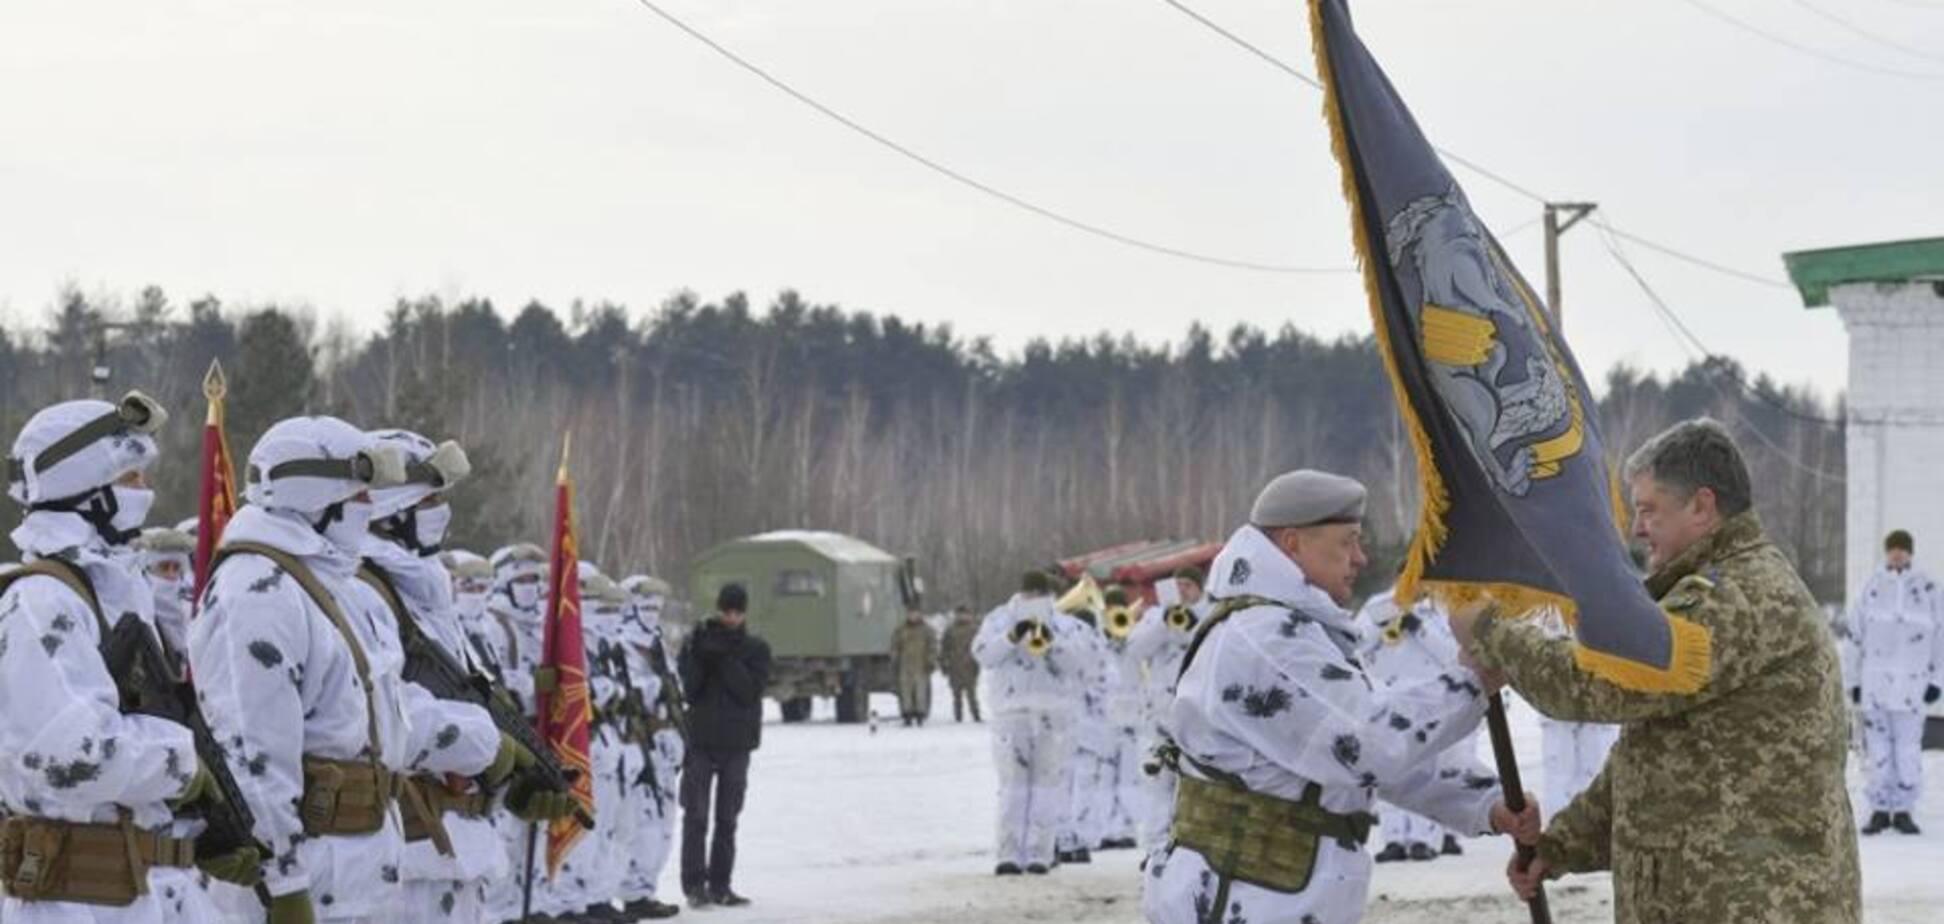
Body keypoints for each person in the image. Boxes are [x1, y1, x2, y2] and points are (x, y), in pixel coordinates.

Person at [1454, 419, 1861, 923]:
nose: (1638, 528)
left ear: (1702, 505)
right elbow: (1656, 757)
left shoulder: (1741, 597)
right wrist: (1560, 846)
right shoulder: (1712, 590)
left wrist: (1492, 631)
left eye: (1649, 510)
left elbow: (1603, 682)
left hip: (1754, 905)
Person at [1142, 470, 1536, 924]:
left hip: (1272, 896)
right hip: (1249, 900)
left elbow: (1352, 759)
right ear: (1293, 543)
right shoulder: (1265, 637)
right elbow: (1367, 745)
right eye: (1347, 541)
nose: (1361, 558)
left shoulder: (1294, 628)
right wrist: (1471, 681)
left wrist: (1486, 803)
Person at [189, 416, 524, 924]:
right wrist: (283, 885)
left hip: (359, 876)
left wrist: (485, 741)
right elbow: (253, 756)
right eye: (360, 494)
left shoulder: (329, 586)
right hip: (306, 881)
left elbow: (379, 709)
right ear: (315, 494)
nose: (370, 508)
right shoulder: (256, 591)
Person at [0, 394, 229, 923]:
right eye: (130, 480)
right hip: (75, 901)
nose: (145, 494)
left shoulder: (112, 592)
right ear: (85, 490)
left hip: (141, 893)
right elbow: (75, 757)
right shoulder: (42, 602)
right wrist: (185, 763)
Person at [358, 429, 547, 923]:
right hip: (405, 844)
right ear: (392, 506)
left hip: (453, 836)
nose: (441, 509)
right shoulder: (363, 590)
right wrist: (488, 745)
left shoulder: (422, 590)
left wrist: (516, 770)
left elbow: (465, 691)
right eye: (431, 497)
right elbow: (380, 714)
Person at [1353, 585, 1481, 863]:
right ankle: (1394, 839)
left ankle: (1425, 839)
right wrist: (1383, 623)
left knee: (1431, 767)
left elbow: (1453, 654)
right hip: (1390, 696)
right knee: (1390, 767)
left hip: (1430, 700)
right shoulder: (1380, 603)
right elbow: (1357, 641)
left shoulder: (1440, 610)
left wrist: (1420, 628)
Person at [972, 571, 1088, 876]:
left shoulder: (1064, 623)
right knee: (1012, 787)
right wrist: (1011, 636)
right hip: (1012, 715)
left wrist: (1053, 643)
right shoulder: (999, 619)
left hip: (1053, 717)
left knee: (1046, 787)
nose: (1033, 600)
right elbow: (983, 655)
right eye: (1029, 595)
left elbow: (1080, 664)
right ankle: (1008, 853)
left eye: (1039, 595)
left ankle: (1041, 853)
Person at [677, 583, 772, 909]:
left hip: (736, 744)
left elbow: (749, 691)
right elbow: (689, 689)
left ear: (744, 613)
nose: (731, 617)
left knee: (727, 818)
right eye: (726, 611)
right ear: (719, 609)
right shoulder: (698, 643)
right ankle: (694, 885)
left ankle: (721, 884)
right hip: (701, 742)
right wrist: (702, 655)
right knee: (696, 816)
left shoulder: (756, 649)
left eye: (737, 612)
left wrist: (724, 658)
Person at [1846, 529, 1943, 835]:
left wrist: (1937, 679)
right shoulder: (1871, 588)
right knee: (1877, 748)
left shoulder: (1928, 590)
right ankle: (1878, 809)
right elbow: (1854, 638)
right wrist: (1854, 681)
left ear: (1910, 553)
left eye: (1903, 549)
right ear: (1887, 552)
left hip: (1913, 686)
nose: (1898, 554)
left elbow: (1941, 637)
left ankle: (1902, 809)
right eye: (1893, 549)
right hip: (1875, 685)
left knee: (1908, 748)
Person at [1124, 567, 1211, 853]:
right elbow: (1135, 649)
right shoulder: (1155, 614)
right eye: (1179, 585)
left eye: (1188, 585)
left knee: (1196, 785)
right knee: (1157, 785)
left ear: (1200, 588)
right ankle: (1156, 851)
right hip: (1160, 714)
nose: (1183, 590)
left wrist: (1194, 624)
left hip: (1200, 713)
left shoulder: (1212, 614)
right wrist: (1163, 624)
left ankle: (1190, 851)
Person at [616, 574, 687, 920]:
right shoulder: (620, 643)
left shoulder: (657, 643)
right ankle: (628, 891)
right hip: (637, 745)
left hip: (664, 747)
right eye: (645, 607)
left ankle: (645, 889)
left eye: (657, 608)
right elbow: (630, 695)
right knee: (638, 823)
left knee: (663, 824)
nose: (651, 614)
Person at [891, 608, 938, 727]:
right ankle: (907, 714)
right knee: (905, 691)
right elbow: (895, 646)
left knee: (920, 691)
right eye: (910, 614)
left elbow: (932, 646)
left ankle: (920, 714)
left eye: (915, 613)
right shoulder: (900, 630)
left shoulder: (926, 630)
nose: (913, 616)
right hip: (905, 664)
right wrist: (894, 659)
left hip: (921, 664)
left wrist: (931, 660)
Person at [941, 606, 983, 722]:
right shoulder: (950, 630)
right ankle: (958, 717)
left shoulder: (975, 630)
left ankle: (976, 715)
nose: (962, 617)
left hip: (970, 666)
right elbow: (944, 648)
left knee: (972, 694)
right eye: (960, 614)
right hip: (954, 666)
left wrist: (979, 663)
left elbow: (981, 648)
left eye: (965, 614)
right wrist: (943, 664)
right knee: (956, 695)